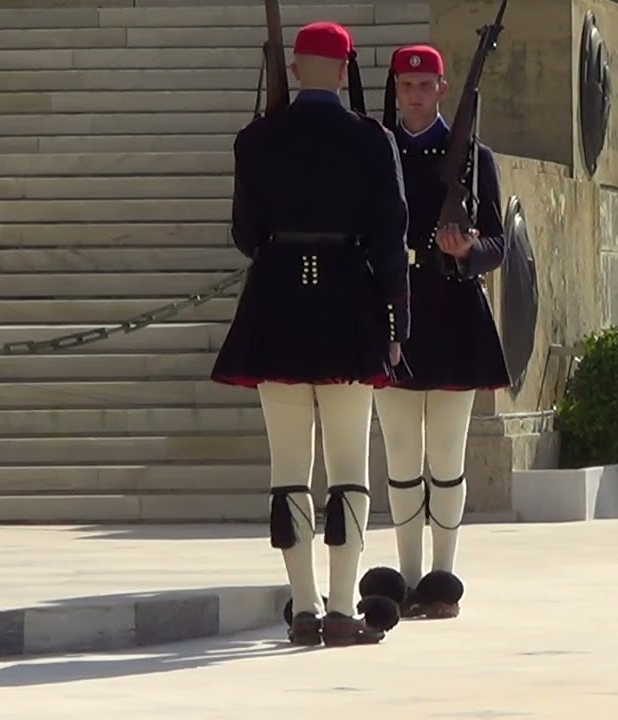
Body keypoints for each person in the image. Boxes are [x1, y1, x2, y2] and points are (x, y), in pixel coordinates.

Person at [210, 20, 410, 647]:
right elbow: (390, 234)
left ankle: (303, 608)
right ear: (347, 69)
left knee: (288, 467)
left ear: (295, 72)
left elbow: (246, 235)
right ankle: (344, 609)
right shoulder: (372, 140)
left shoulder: (257, 139)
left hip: (277, 308)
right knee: (350, 463)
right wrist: (398, 320)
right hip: (349, 304)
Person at [360, 44, 511, 621]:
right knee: (401, 456)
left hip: (452, 314)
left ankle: (442, 578)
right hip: (396, 311)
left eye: (425, 87)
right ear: (396, 89)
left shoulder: (474, 158)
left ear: (443, 90)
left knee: (446, 456)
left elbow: (500, 244)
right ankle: (406, 572)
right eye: (406, 86)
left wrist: (469, 249)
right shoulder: (379, 154)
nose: (415, 95)